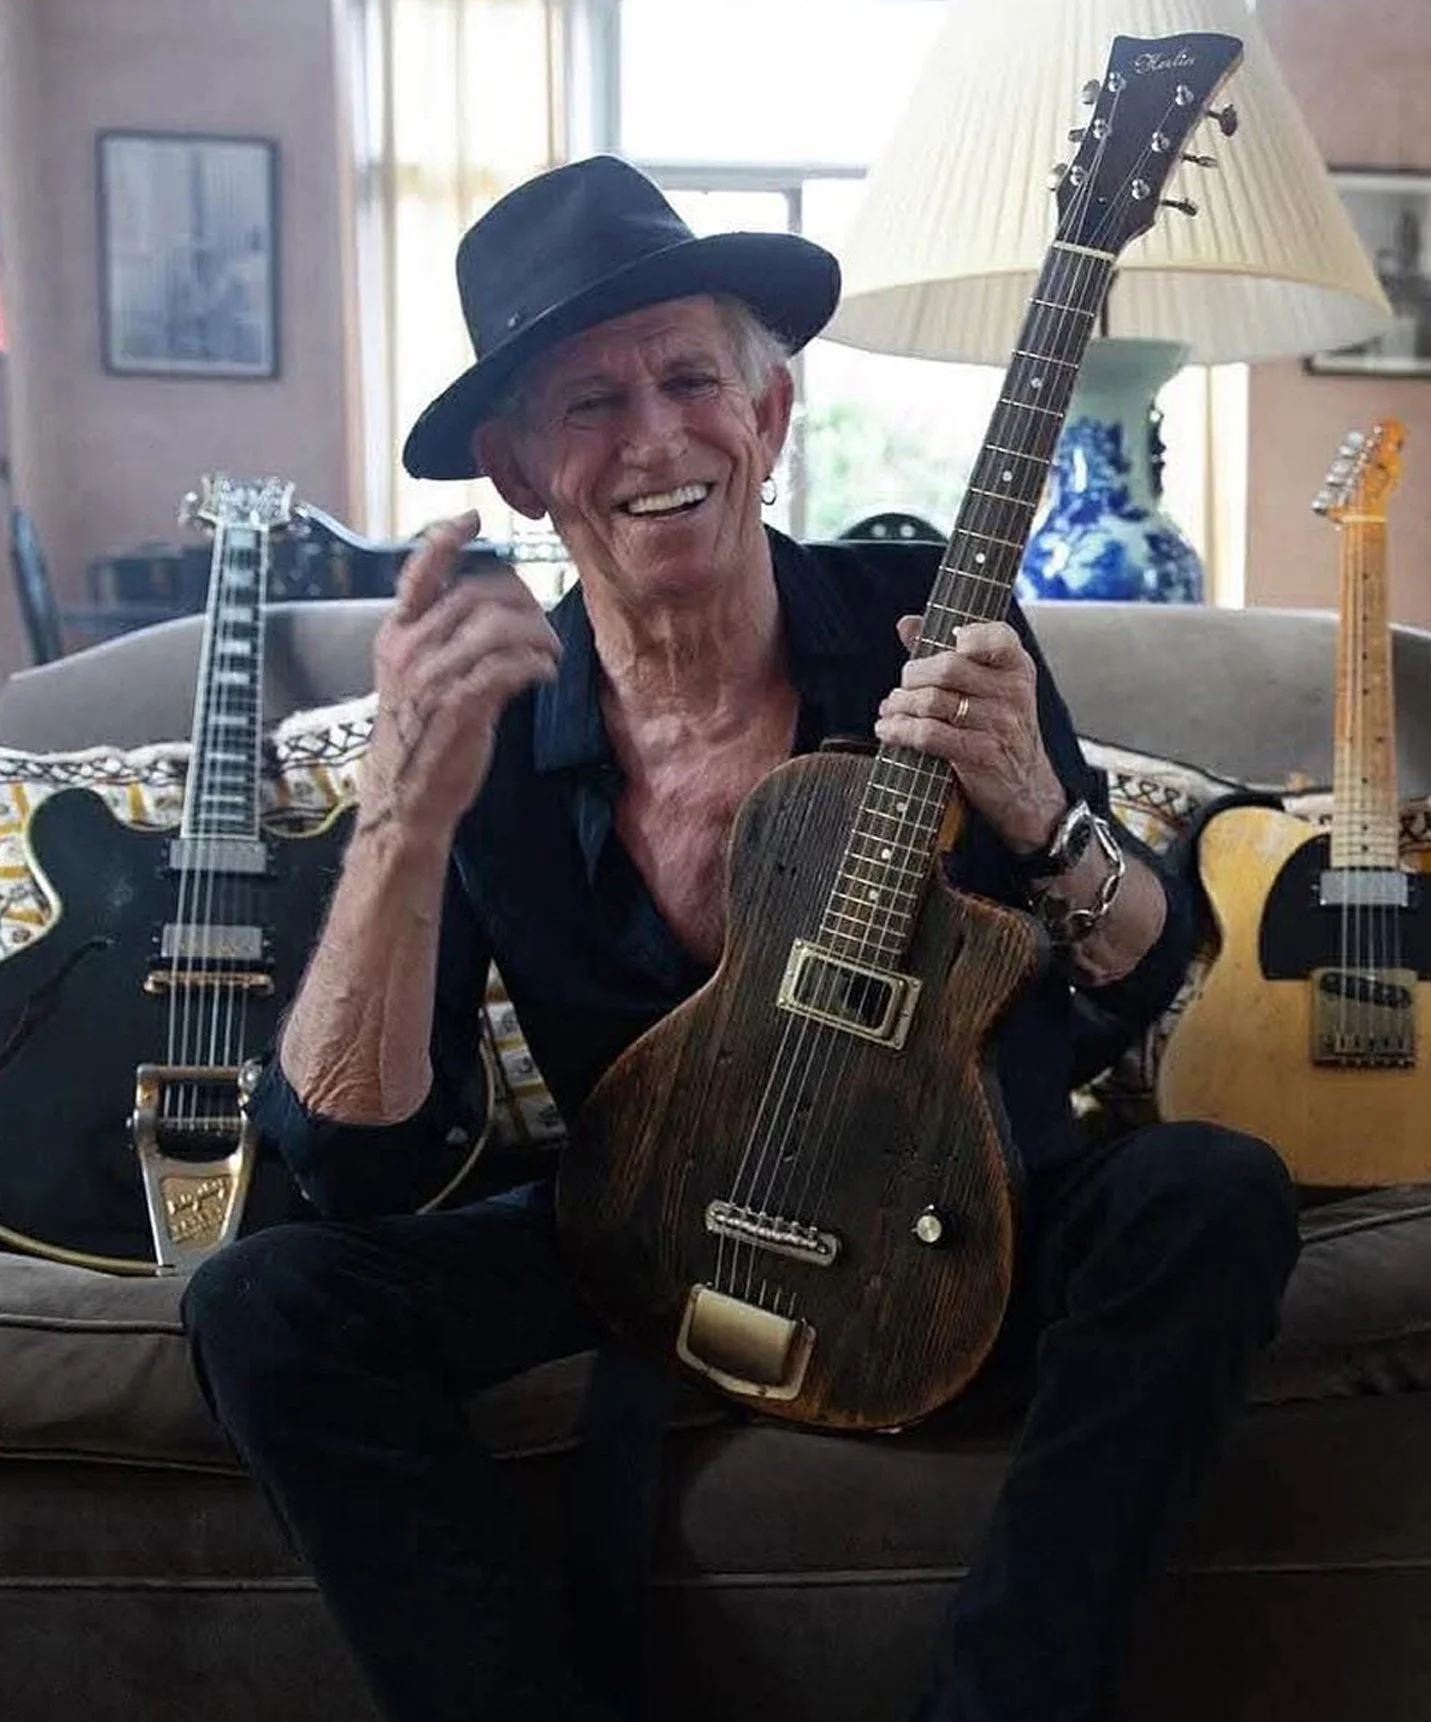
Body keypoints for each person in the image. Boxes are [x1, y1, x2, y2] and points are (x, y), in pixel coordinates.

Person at [181, 155, 1300, 1722]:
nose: (655, 436)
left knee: (1209, 1193)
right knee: (262, 1304)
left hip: (959, 1214)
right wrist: (399, 823)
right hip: (642, 1228)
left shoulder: (933, 611)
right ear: (515, 469)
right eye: (588, 402)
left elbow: (1140, 969)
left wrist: (1045, 812)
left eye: (691, 377)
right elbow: (360, 1160)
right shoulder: (488, 721)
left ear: (768, 416)